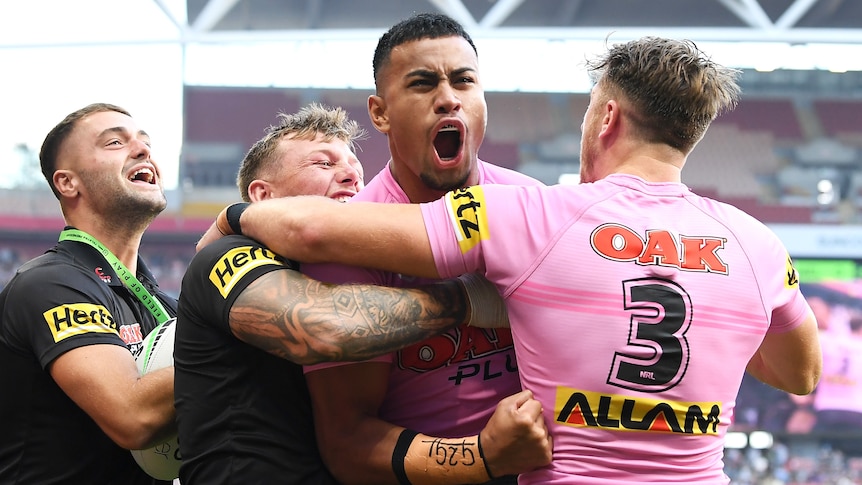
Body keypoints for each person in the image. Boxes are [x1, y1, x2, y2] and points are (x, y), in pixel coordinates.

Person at [208, 36, 823, 483]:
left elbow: (313, 231)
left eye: (465, 81)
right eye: (424, 84)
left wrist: (235, 217)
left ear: (606, 118)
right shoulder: (758, 244)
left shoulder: (536, 216)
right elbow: (801, 375)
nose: (449, 100)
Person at [175, 103, 551, 484]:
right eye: (324, 164)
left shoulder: (348, 265)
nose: (351, 177)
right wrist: (467, 301)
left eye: (356, 168)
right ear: (263, 196)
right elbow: (325, 328)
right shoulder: (227, 255)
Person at [0, 103, 178, 484]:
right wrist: (237, 340)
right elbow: (134, 417)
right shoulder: (49, 283)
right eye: (115, 142)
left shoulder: (168, 308)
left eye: (145, 142)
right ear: (67, 183)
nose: (144, 150)